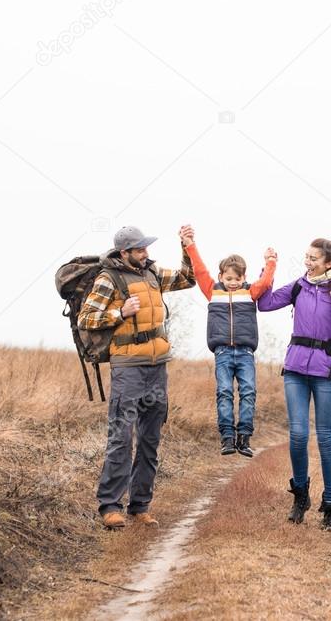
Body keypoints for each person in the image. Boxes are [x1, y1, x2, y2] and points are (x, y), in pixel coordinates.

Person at [77, 224, 196, 529]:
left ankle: (140, 506)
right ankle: (110, 507)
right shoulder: (108, 279)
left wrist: (186, 247)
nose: (146, 253)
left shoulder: (152, 273)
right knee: (121, 437)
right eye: (140, 249)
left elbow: (188, 278)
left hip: (158, 367)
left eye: (146, 248)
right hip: (128, 368)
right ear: (124, 252)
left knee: (150, 439)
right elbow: (86, 318)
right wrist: (120, 313)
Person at [257, 238, 331, 531]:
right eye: (306, 256)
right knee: (298, 434)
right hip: (294, 370)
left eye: (314, 258)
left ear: (329, 263)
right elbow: (264, 304)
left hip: (327, 372)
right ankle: (300, 497)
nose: (308, 262)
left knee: (325, 437)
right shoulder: (299, 286)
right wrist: (269, 267)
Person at [182, 229, 277, 457]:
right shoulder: (212, 290)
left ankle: (244, 438)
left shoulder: (250, 292)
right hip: (223, 352)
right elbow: (200, 268)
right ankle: (227, 437)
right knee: (224, 392)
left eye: (238, 278)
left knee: (248, 392)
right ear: (221, 277)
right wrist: (189, 245)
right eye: (228, 278)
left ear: (244, 277)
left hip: (245, 353)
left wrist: (270, 261)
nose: (233, 283)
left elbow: (265, 282)